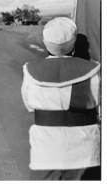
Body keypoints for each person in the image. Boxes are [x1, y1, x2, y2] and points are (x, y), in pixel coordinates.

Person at [21, 17, 101, 180]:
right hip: (86, 156)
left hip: (45, 156)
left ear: (45, 42)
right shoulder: (94, 71)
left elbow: (30, 105)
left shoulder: (30, 71)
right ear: (74, 42)